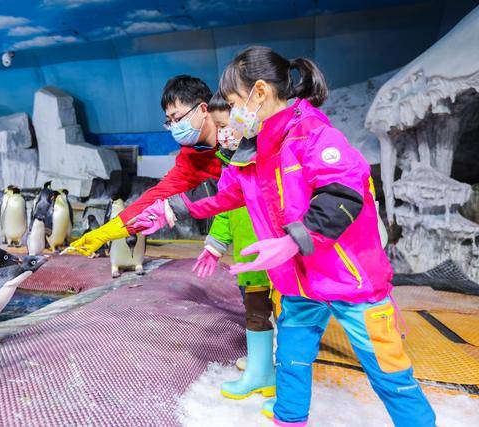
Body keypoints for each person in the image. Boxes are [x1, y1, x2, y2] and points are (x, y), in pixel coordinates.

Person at [130, 46, 436, 427]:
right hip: (299, 285)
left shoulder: (314, 136)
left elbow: (342, 193)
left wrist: (292, 241)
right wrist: (170, 210)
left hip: (349, 282)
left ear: (259, 93)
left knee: (391, 377)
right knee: (291, 364)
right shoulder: (251, 150)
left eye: (233, 101)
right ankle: (289, 421)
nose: (231, 112)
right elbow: (223, 192)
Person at [68, 75, 222, 256]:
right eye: (169, 121)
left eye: (177, 117)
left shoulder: (241, 135)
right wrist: (104, 233)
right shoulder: (191, 159)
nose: (174, 127)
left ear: (203, 109)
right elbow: (152, 200)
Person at [195, 91, 275, 400]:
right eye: (218, 127)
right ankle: (261, 368)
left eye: (226, 124)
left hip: (274, 257)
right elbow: (226, 211)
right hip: (248, 257)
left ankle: (277, 368)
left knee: (283, 314)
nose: (223, 134)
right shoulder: (231, 167)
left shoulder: (267, 159)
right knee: (254, 311)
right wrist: (214, 245)